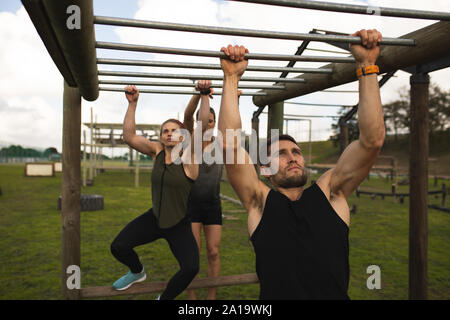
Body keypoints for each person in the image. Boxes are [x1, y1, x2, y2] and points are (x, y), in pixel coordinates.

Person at [218, 29, 385, 299]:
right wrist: (231, 78)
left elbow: (372, 141)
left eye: (296, 151)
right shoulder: (259, 202)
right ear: (265, 170)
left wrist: (367, 66)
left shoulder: (332, 192)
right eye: (281, 153)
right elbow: (229, 145)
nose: (292, 156)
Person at [109, 82, 211, 300]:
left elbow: (201, 125)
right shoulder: (156, 151)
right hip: (154, 217)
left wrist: (204, 95)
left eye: (174, 131)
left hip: (179, 223)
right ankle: (137, 272)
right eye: (165, 131)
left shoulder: (189, 156)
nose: (169, 134)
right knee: (118, 247)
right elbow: (129, 136)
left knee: (191, 268)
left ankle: (163, 299)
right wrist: (133, 104)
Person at [183, 81, 224, 300]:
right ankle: (191, 297)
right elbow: (188, 116)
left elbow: (230, 120)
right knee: (193, 255)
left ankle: (211, 296)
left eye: (212, 121)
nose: (208, 124)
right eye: (205, 121)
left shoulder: (223, 142)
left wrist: (231, 99)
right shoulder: (191, 141)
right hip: (191, 205)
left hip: (213, 204)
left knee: (213, 252)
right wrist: (201, 94)